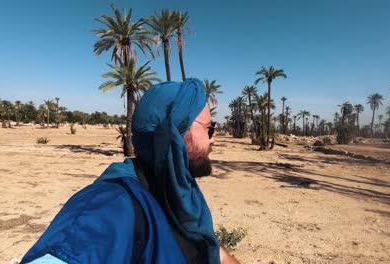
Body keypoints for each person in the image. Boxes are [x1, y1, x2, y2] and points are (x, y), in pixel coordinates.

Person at [20, 79, 239, 263]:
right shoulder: (110, 202)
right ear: (175, 134)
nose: (214, 138)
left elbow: (208, 250)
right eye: (210, 128)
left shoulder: (178, 193)